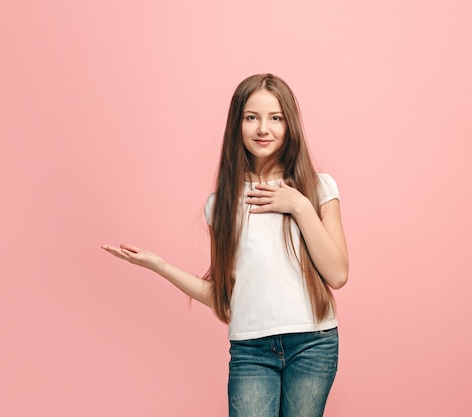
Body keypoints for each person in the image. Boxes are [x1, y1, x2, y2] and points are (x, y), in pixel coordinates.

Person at [102, 73, 349, 417]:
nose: (263, 128)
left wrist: (299, 205)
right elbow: (224, 300)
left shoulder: (319, 188)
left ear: (290, 124)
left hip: (313, 344)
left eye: (275, 118)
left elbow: (337, 274)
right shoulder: (221, 205)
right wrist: (159, 266)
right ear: (237, 124)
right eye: (252, 117)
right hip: (251, 350)